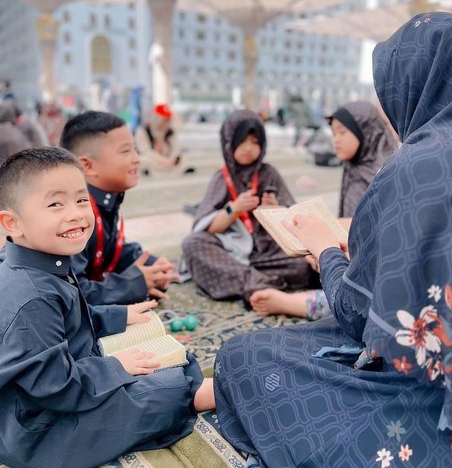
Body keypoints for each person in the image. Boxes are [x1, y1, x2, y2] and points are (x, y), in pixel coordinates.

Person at [214, 13, 452, 467]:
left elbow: (363, 315)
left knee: (244, 356)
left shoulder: (419, 166)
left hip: (448, 405)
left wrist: (325, 251)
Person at [0, 147, 214, 468]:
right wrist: (116, 366)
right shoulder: (31, 295)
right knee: (168, 391)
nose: (75, 213)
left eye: (81, 199)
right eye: (56, 204)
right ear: (12, 223)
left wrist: (121, 315)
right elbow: (55, 388)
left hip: (64, 386)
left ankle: (183, 384)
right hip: (39, 430)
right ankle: (192, 392)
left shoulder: (46, 262)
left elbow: (71, 322)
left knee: (168, 361)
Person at [250, 100, 398, 318]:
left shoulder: (382, 174)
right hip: (343, 250)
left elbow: (376, 233)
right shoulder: (355, 167)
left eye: (342, 132)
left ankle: (302, 302)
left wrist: (327, 246)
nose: (335, 140)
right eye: (333, 133)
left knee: (362, 300)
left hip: (374, 267)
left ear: (366, 131)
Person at [181, 109, 314, 301]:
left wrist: (276, 211)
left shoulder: (269, 174)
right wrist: (233, 209)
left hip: (270, 254)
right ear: (229, 143)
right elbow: (206, 227)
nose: (249, 148)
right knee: (192, 244)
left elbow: (295, 221)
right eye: (242, 141)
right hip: (231, 254)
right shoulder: (222, 177)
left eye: (255, 142)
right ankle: (259, 283)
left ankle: (252, 283)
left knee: (305, 262)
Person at [60, 111, 178, 305]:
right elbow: (72, 293)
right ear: (88, 166)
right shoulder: (72, 216)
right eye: (126, 151)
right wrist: (133, 284)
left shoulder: (104, 200)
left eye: (135, 150)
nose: (137, 159)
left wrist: (150, 266)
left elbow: (110, 249)